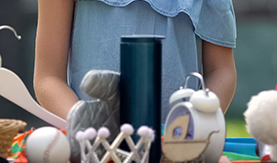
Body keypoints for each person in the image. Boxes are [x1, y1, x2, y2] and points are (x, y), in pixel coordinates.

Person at [34, 0, 238, 119]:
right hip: (92, 149)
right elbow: (48, 78)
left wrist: (192, 132)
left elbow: (221, 70)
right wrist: (90, 130)